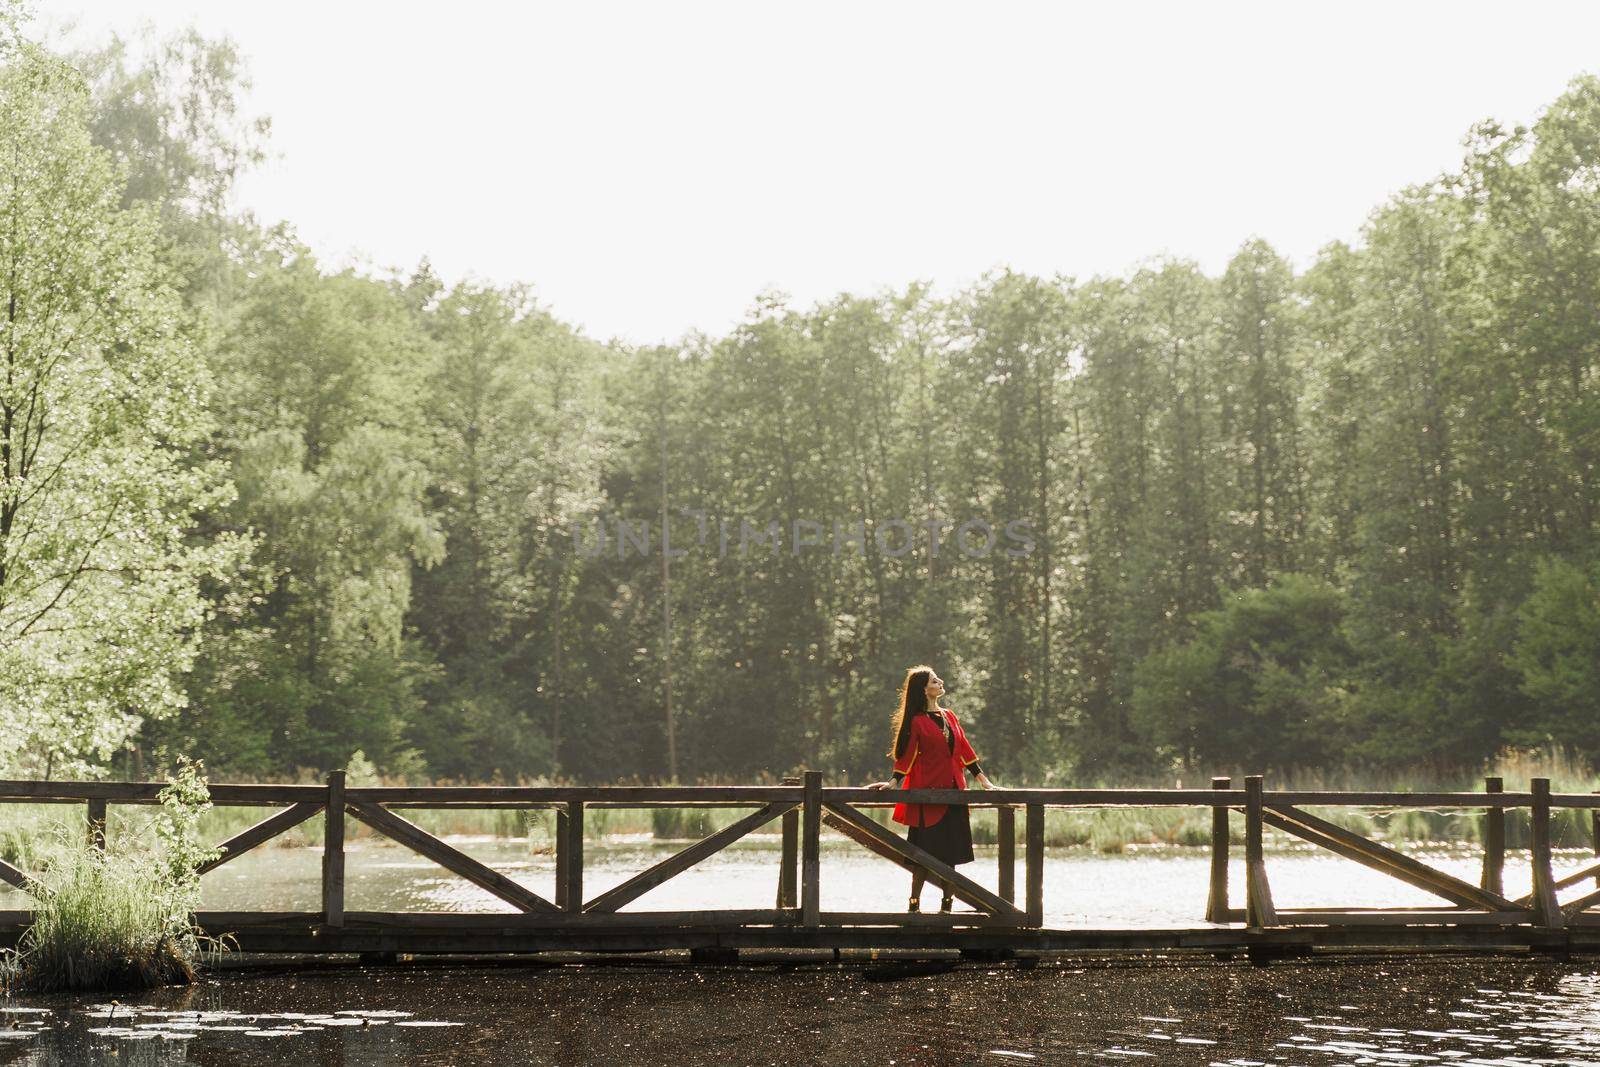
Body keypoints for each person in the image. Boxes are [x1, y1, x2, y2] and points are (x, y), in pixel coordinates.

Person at [867, 664, 998, 912]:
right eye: (935, 681)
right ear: (924, 690)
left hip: (954, 794)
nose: (940, 683)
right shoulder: (917, 721)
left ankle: (946, 907)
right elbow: (905, 757)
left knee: (952, 856)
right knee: (922, 855)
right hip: (928, 794)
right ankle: (914, 905)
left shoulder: (950, 716)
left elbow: (965, 750)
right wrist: (893, 782)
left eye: (938, 680)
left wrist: (984, 781)